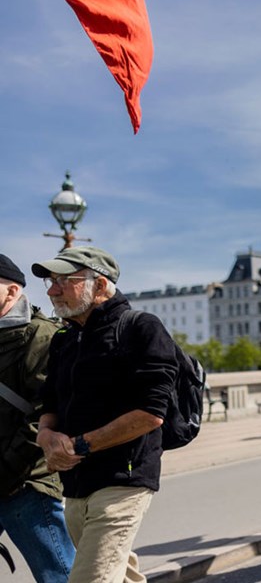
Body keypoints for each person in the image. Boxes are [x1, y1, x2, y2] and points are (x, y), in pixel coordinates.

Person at [32, 247, 178, 583]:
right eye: (51, 282)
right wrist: (46, 436)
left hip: (123, 480)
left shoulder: (141, 328)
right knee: (119, 575)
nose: (53, 290)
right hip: (77, 482)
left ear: (99, 286)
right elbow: (48, 402)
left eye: (64, 281)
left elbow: (151, 413)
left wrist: (80, 446)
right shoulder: (65, 338)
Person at [0, 254, 75, 582]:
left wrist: (4, 469)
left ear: (12, 291)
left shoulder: (41, 335)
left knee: (59, 575)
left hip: (26, 482)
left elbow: (45, 414)